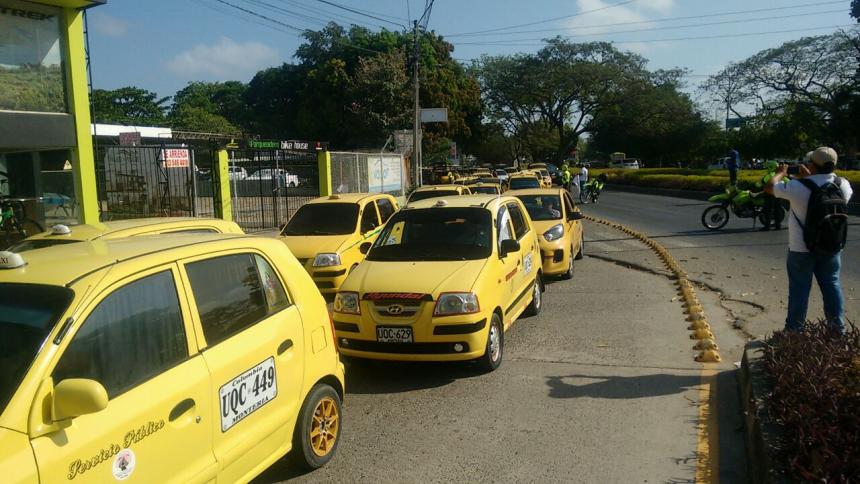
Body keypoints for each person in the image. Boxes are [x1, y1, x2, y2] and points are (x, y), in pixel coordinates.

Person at [765, 147, 853, 333]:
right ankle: (837, 330)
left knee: (799, 289)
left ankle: (794, 331)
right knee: (832, 284)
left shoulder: (797, 187)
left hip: (800, 248)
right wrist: (808, 178)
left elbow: (770, 188)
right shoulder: (842, 184)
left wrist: (781, 173)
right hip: (831, 246)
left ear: (811, 164)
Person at [757, 160, 783, 230]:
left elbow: (759, 184)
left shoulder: (768, 175)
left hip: (769, 194)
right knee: (777, 209)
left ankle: (767, 226)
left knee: (768, 210)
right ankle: (778, 225)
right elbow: (786, 181)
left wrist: (753, 185)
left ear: (770, 167)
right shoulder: (779, 174)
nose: (766, 168)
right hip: (778, 193)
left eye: (767, 167)